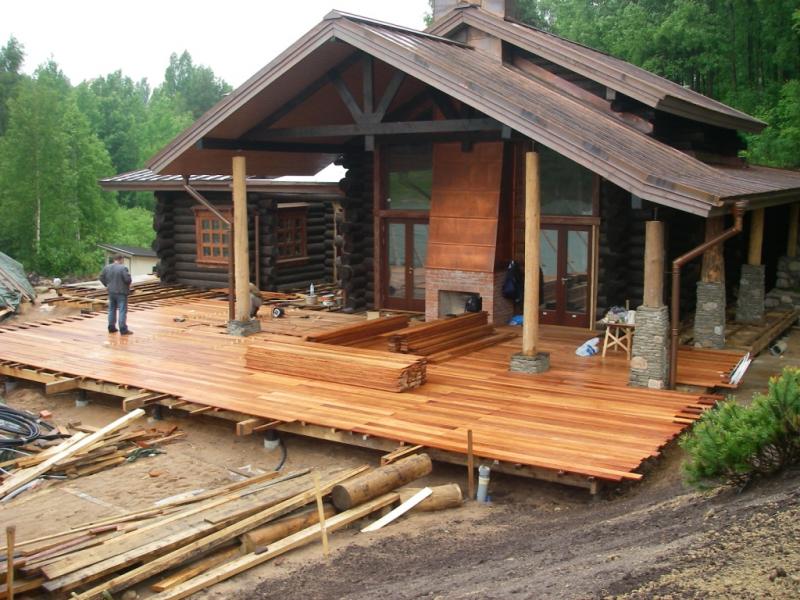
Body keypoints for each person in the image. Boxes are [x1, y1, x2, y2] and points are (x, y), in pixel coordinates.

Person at [100, 255, 133, 335]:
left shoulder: (107, 267)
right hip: (121, 292)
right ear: (121, 259)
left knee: (111, 309)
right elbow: (128, 280)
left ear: (114, 259)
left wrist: (107, 285)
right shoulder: (123, 268)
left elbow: (101, 277)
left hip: (111, 292)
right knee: (122, 310)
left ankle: (111, 328)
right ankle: (123, 329)